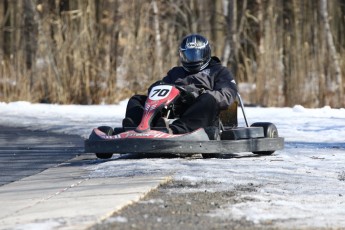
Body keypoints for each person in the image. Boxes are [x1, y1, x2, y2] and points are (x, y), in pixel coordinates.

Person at [123, 34, 238, 134]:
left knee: (208, 99)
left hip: (201, 110)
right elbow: (158, 91)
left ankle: (176, 130)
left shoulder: (218, 71)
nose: (193, 59)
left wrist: (198, 94)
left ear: (206, 53)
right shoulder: (176, 72)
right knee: (136, 99)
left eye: (196, 55)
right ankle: (135, 126)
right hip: (173, 108)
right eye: (189, 55)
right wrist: (157, 86)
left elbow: (227, 94)